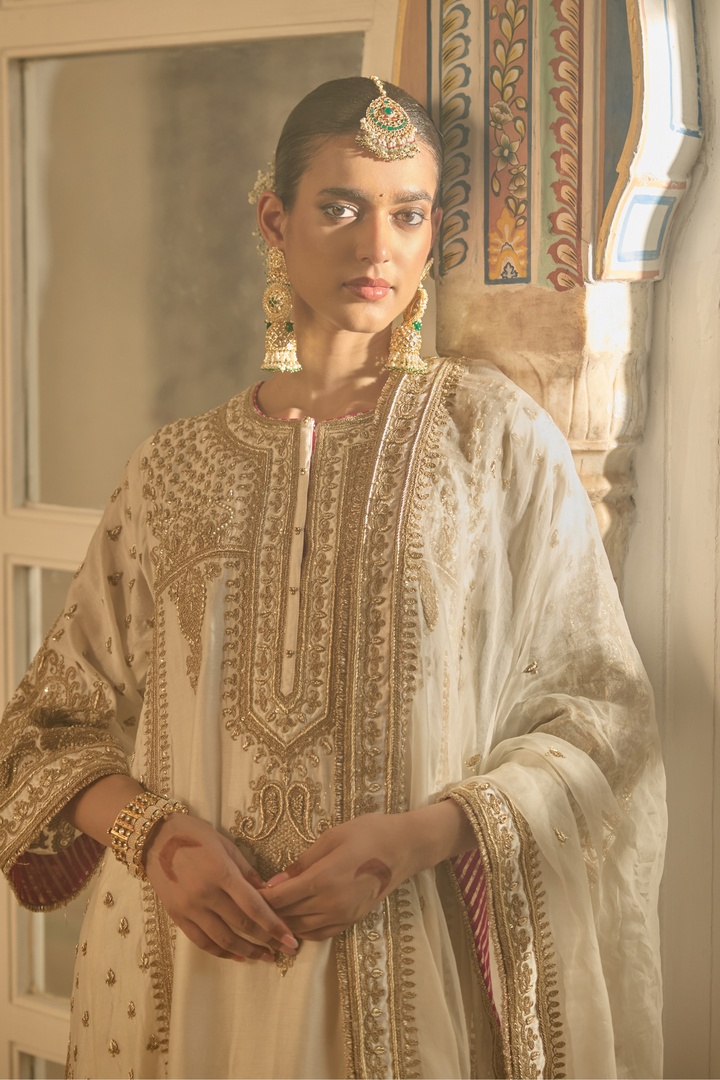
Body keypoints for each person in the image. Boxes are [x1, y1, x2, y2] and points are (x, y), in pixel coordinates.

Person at [0, 76, 665, 1080]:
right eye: (342, 208)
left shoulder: (492, 442)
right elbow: (45, 733)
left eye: (408, 214)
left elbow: (600, 718)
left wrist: (415, 839)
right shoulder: (172, 467)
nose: (377, 247)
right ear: (275, 219)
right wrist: (156, 837)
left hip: (410, 956)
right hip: (191, 969)